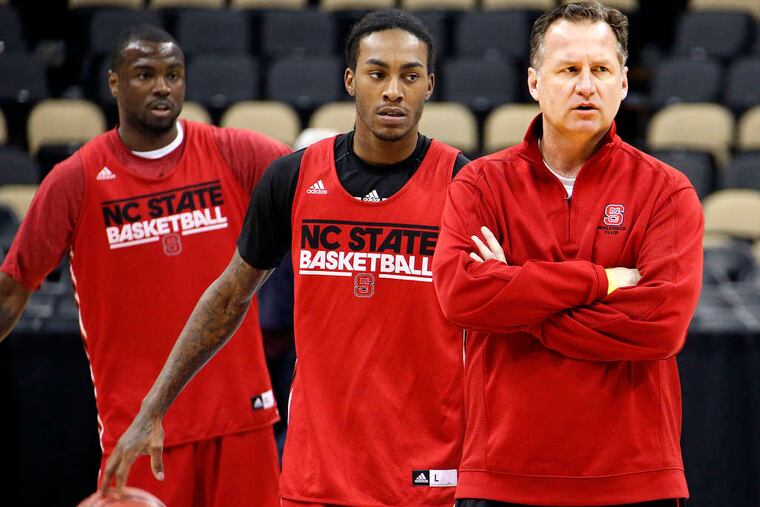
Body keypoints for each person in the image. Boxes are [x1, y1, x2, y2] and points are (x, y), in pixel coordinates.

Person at [103, 9, 468, 507]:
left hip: (427, 476)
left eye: (410, 76)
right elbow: (229, 296)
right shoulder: (292, 178)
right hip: (315, 476)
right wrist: (153, 406)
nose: (392, 91)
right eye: (377, 73)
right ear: (350, 79)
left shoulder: (462, 185)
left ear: (429, 85)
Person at [0, 25, 290, 507]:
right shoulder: (77, 178)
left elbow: (321, 188)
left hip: (242, 417)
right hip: (143, 429)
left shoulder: (235, 152)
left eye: (173, 75)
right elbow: (12, 291)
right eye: (145, 74)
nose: (162, 86)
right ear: (114, 83)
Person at [432, 2, 703, 507]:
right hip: (501, 477)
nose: (586, 85)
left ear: (623, 83)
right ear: (534, 82)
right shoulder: (480, 184)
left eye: (601, 69)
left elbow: (661, 323)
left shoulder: (667, 191)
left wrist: (516, 297)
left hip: (636, 477)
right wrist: (599, 282)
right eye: (568, 69)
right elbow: (459, 296)